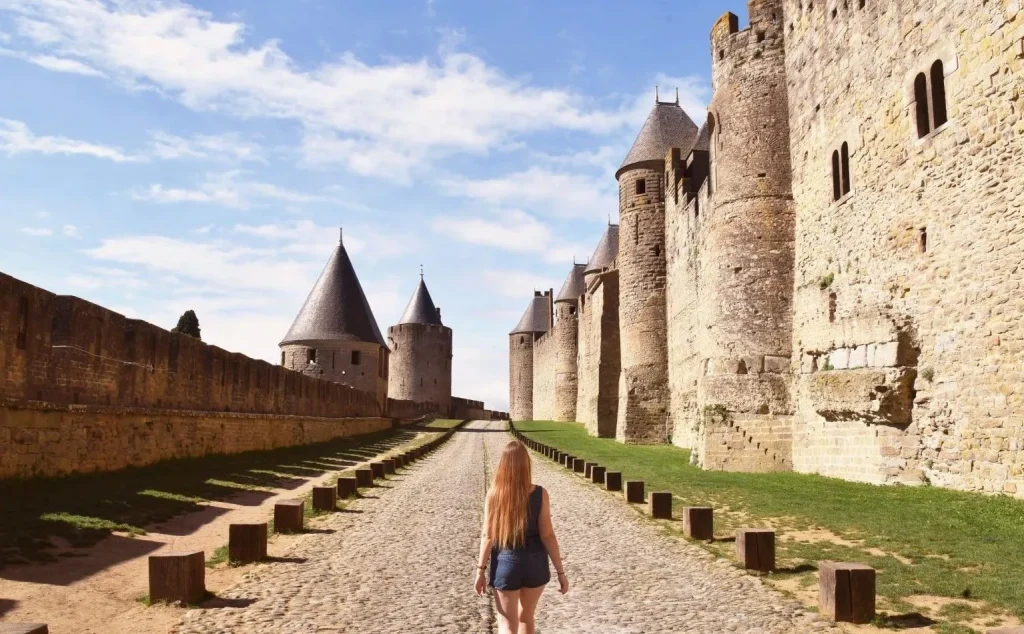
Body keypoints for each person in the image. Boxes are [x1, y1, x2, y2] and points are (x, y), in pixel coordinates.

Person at [475, 440, 569, 634]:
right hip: (535, 563)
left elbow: (488, 536)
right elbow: (548, 535)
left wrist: (480, 571)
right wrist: (561, 572)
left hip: (506, 564)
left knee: (507, 625)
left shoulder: (495, 495)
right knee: (526, 619)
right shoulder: (540, 494)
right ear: (526, 465)